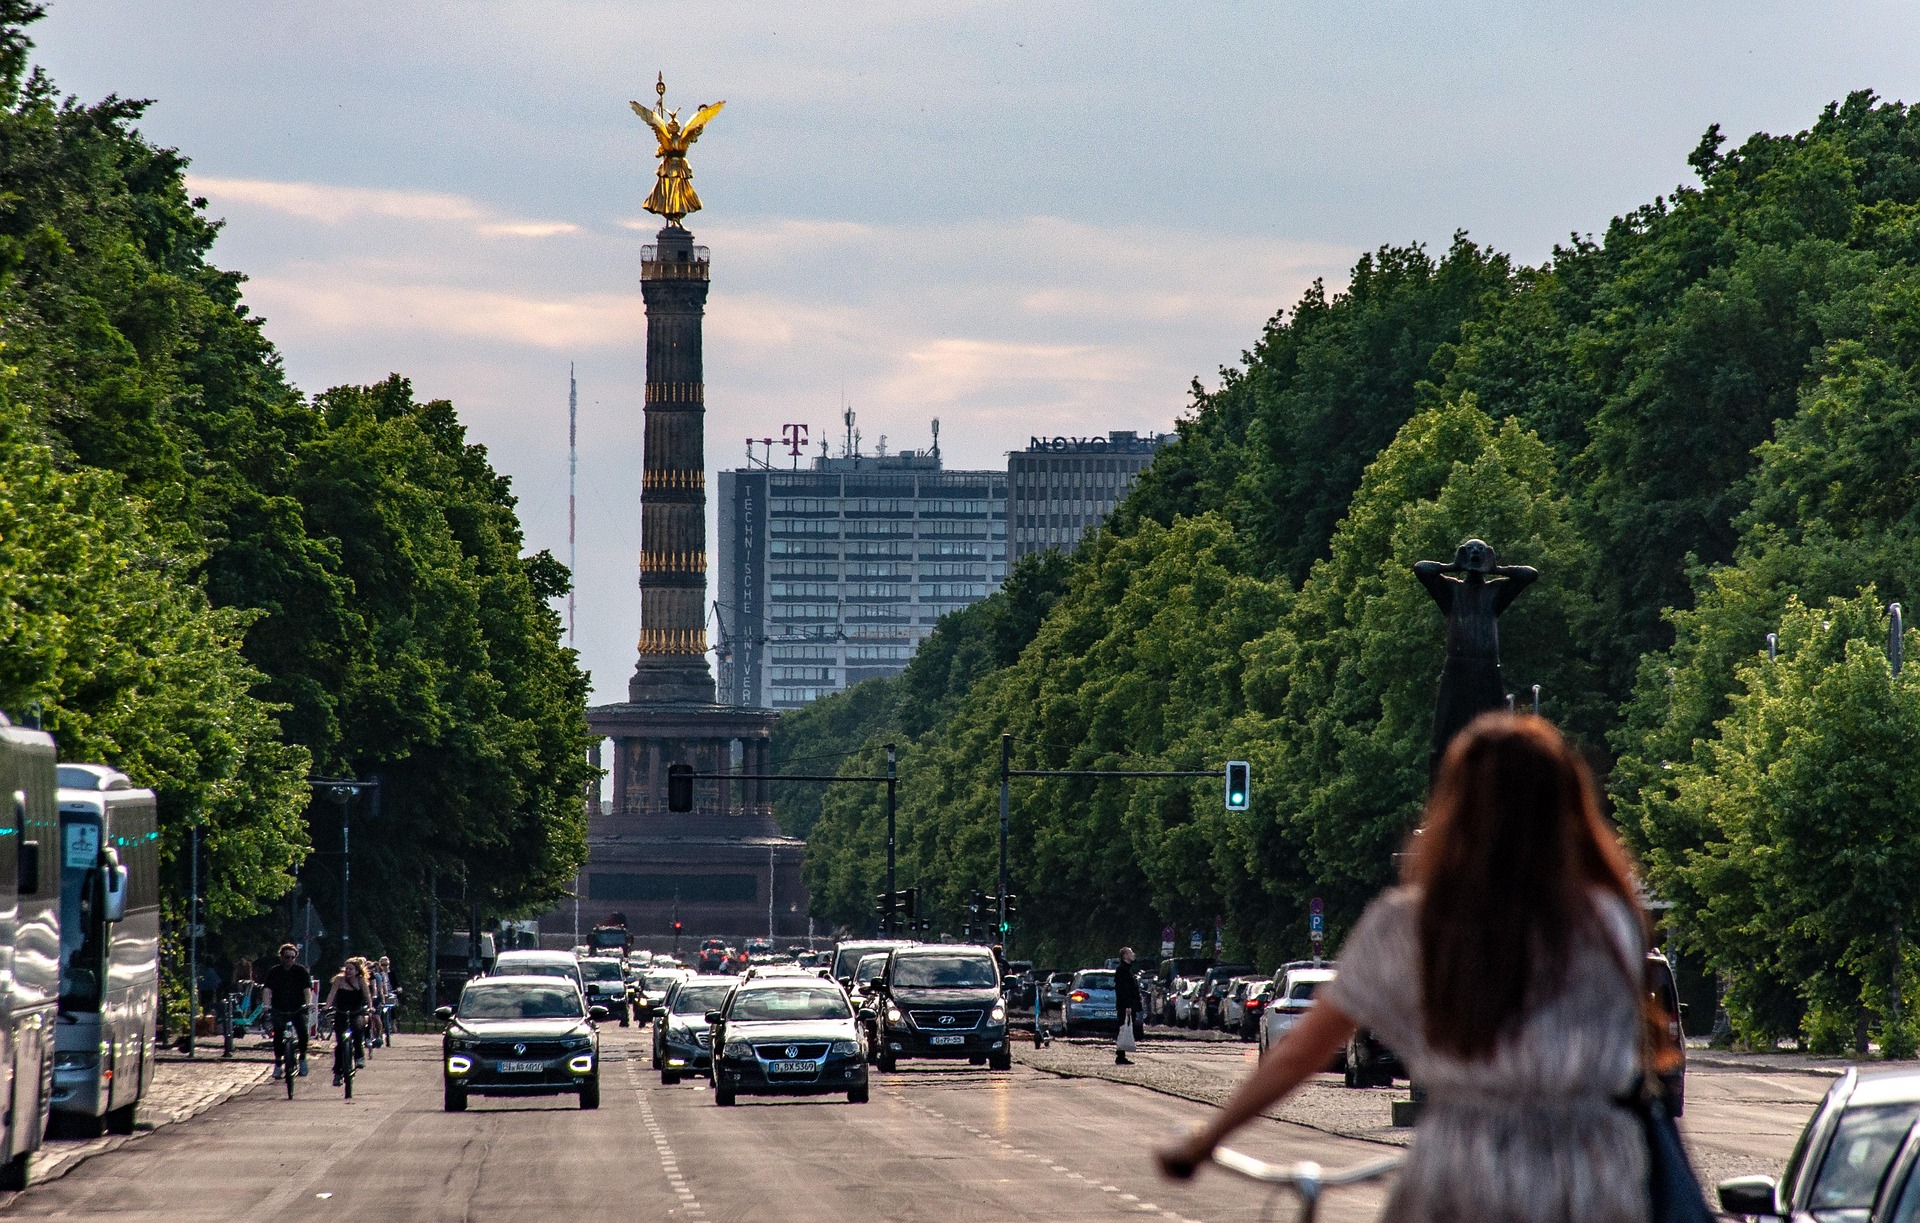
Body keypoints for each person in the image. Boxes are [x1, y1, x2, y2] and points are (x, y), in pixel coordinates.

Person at [1158, 714, 1659, 1223]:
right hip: (1595, 1180)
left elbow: (1302, 1051)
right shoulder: (1611, 920)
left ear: (1458, 807)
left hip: (1465, 1179)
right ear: (1568, 808)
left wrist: (1205, 1141)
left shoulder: (1411, 923)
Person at [261, 943, 314, 1079]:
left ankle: (302, 1058)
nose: (289, 960)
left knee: (302, 1031)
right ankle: (278, 1063)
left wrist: (308, 1004)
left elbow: (307, 989)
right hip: (279, 1007)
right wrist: (266, 1005)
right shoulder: (274, 971)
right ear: (281, 957)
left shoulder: (301, 971)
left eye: (292, 957)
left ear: (295, 957)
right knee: (278, 1035)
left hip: (297, 1007)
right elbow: (267, 989)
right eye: (286, 957)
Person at [324, 957, 371, 1084]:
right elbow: (332, 994)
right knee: (340, 1043)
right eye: (346, 969)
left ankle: (359, 1056)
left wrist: (370, 1007)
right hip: (341, 1012)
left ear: (357, 971)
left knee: (358, 1029)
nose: (348, 971)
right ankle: (337, 1073)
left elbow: (367, 996)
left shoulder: (361, 981)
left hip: (356, 1012)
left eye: (351, 969)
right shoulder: (339, 980)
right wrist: (327, 1006)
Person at [1114, 947, 1141, 1066]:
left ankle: (1121, 1054)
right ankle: (1120, 1055)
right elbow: (1123, 990)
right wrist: (1127, 1005)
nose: (1133, 954)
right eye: (1131, 952)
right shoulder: (1122, 970)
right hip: (1125, 1005)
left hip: (1129, 1004)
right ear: (1125, 956)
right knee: (1123, 1028)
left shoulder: (1127, 969)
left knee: (1125, 1027)